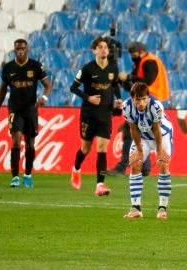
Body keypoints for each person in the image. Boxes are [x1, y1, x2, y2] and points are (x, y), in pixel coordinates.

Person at [0, 39, 52, 188]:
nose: (20, 51)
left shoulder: (35, 65)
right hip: (15, 109)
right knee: (16, 139)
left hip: (31, 109)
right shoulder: (8, 67)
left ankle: (27, 174)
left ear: (27, 50)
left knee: (30, 144)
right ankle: (14, 177)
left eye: (22, 49)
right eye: (17, 49)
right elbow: (2, 90)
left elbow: (47, 85)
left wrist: (44, 98)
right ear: (14, 50)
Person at [69, 36, 123, 196]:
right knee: (86, 148)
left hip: (105, 114)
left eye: (105, 47)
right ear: (94, 51)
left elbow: (115, 86)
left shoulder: (113, 67)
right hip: (88, 114)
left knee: (102, 149)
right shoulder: (87, 69)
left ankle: (100, 184)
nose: (103, 49)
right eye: (100, 47)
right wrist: (88, 98)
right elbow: (73, 88)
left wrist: (118, 99)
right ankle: (76, 169)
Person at [109, 41, 170, 176]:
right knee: (144, 134)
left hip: (148, 101)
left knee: (130, 130)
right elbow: (134, 85)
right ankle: (145, 168)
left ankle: (122, 166)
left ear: (141, 51)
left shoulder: (149, 62)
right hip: (145, 101)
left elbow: (147, 81)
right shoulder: (141, 63)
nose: (132, 55)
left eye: (133, 52)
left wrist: (128, 77)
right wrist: (122, 81)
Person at [122, 82, 172, 220]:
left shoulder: (156, 106)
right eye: (138, 99)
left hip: (162, 135)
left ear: (148, 97)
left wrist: (160, 150)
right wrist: (139, 150)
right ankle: (136, 208)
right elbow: (133, 128)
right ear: (132, 98)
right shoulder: (126, 107)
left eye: (144, 99)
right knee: (135, 165)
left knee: (163, 165)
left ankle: (162, 208)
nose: (142, 103)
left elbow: (156, 128)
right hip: (143, 137)